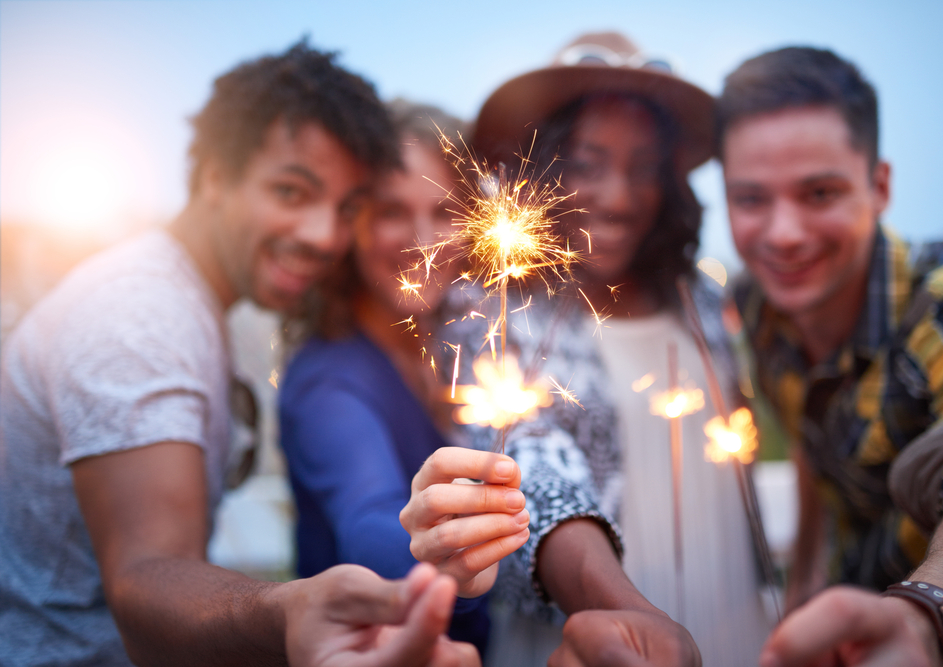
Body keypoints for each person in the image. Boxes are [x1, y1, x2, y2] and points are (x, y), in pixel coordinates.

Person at [0, 42, 478, 667]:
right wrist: (286, 610)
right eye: (291, 191)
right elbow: (147, 571)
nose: (323, 236)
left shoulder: (185, 300)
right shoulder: (137, 314)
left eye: (345, 209)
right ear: (215, 177)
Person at [402, 32, 768, 667]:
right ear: (540, 170)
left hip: (734, 616)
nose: (619, 197)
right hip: (592, 636)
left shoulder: (700, 303)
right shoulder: (487, 306)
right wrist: (630, 614)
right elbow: (529, 469)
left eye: (644, 166)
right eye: (587, 164)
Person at [715, 47, 943, 665]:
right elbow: (814, 453)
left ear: (880, 186)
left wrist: (927, 622)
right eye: (751, 199)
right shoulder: (759, 308)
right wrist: (801, 593)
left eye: (819, 192)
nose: (783, 233)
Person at [279, 100, 494, 657]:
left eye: (444, 212)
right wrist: (453, 563)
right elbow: (368, 520)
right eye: (393, 210)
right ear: (353, 223)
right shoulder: (328, 382)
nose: (422, 239)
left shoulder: (456, 346)